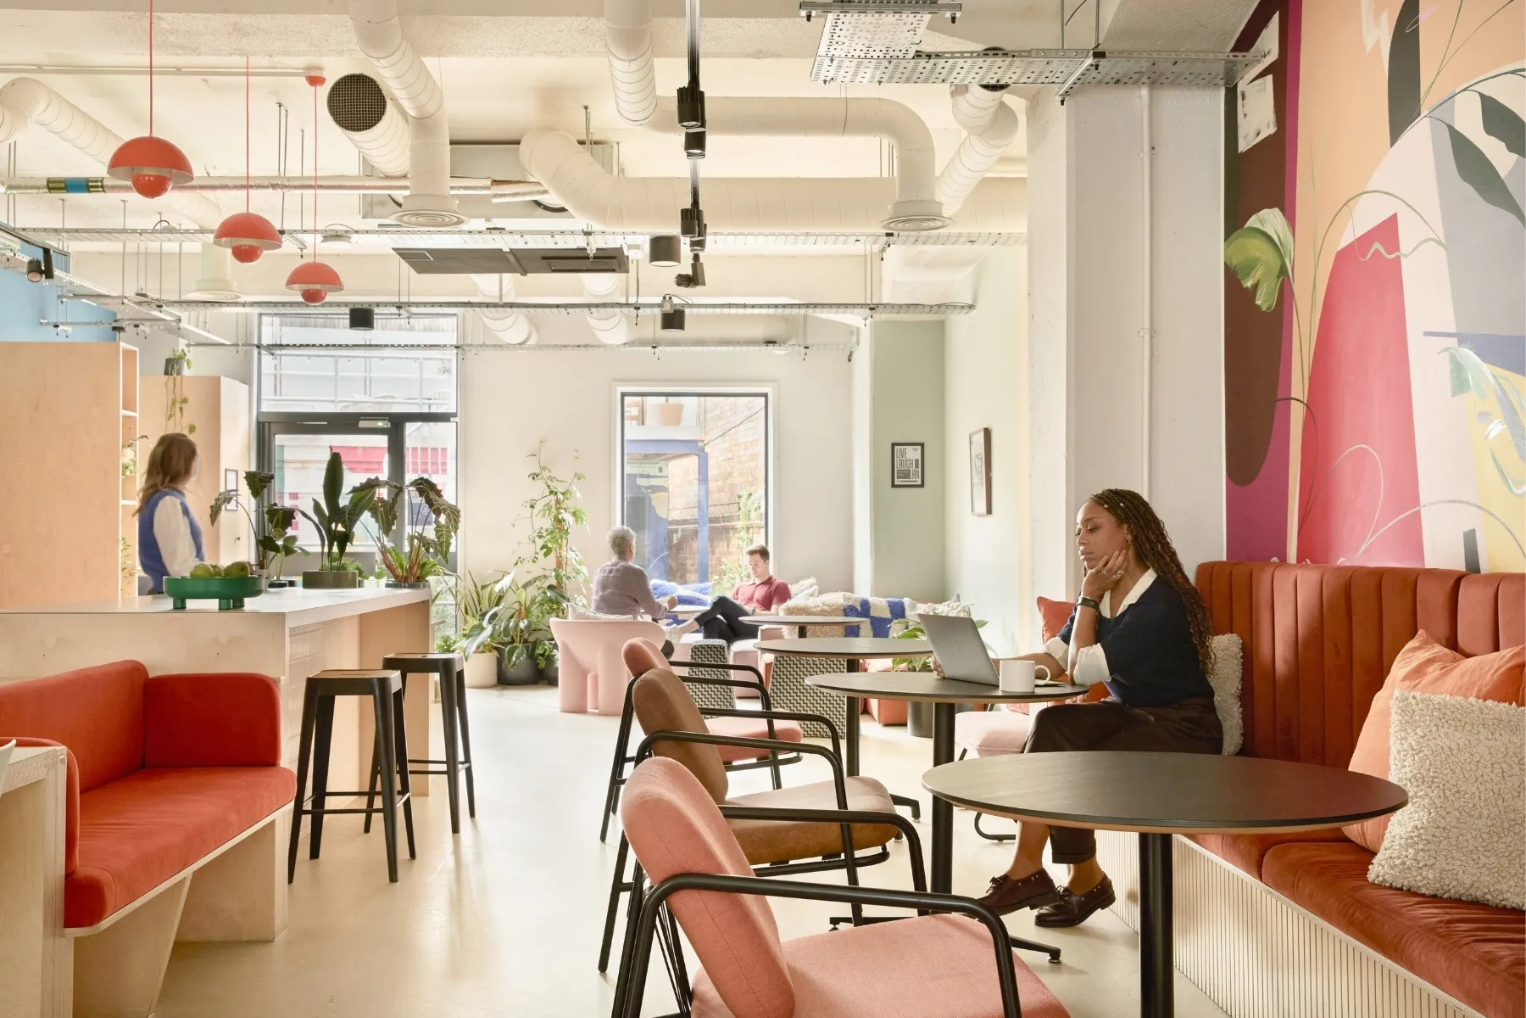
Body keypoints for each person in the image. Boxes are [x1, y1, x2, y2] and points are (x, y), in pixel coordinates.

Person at [964, 488, 1221, 928]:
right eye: (1078, 531)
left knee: (1074, 759)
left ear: (1129, 532)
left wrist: (1085, 598)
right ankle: (1073, 875)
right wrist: (989, 667)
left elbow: (1081, 672)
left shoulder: (1161, 601)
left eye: (1093, 528)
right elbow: (1055, 658)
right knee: (1055, 724)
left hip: (1185, 729)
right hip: (1136, 714)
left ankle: (1045, 874)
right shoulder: (1101, 592)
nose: (1081, 539)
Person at [591, 526, 681, 654]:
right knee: (667, 647)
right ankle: (648, 674)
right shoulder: (635, 573)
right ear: (630, 547)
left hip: (602, 640)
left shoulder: (598, 572)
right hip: (627, 640)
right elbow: (655, 612)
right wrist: (668, 606)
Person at [135, 433, 206, 594]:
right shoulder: (168, 503)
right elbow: (181, 567)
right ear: (186, 464)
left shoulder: (159, 500)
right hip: (175, 600)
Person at [682, 543, 791, 644]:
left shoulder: (779, 585)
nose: (752, 567)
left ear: (767, 562)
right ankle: (709, 664)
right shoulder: (740, 587)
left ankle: (680, 631)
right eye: (750, 564)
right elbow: (724, 613)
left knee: (722, 600)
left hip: (757, 630)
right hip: (734, 631)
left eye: (756, 564)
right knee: (712, 621)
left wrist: (748, 610)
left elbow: (777, 615)